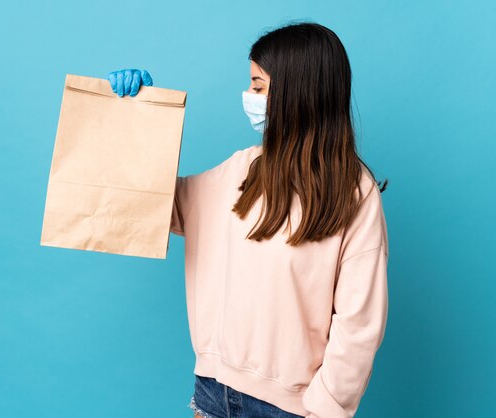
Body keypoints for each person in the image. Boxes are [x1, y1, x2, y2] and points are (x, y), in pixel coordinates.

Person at [107, 21, 389, 418]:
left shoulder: (355, 193)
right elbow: (158, 206)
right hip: (212, 393)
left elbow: (359, 323)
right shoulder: (242, 168)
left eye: (258, 86)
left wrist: (324, 409)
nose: (248, 97)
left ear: (297, 90)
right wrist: (137, 117)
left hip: (292, 409)